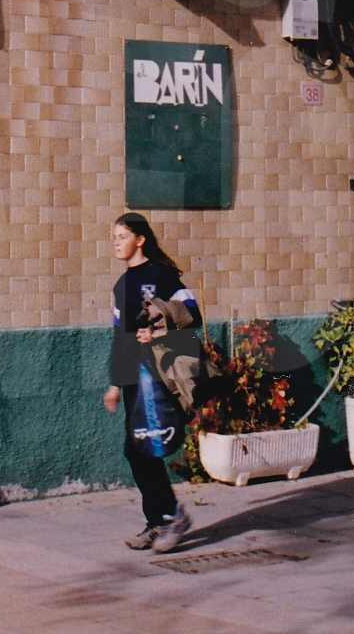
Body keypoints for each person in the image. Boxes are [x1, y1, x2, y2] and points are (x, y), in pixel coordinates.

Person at [101, 211, 201, 553]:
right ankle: (160, 519)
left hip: (158, 375)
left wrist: (158, 331)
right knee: (137, 449)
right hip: (132, 378)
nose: (116, 243)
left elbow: (192, 314)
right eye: (114, 238)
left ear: (140, 239)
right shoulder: (121, 286)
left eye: (122, 237)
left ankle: (170, 516)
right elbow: (120, 338)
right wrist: (115, 385)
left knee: (144, 446)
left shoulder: (162, 275)